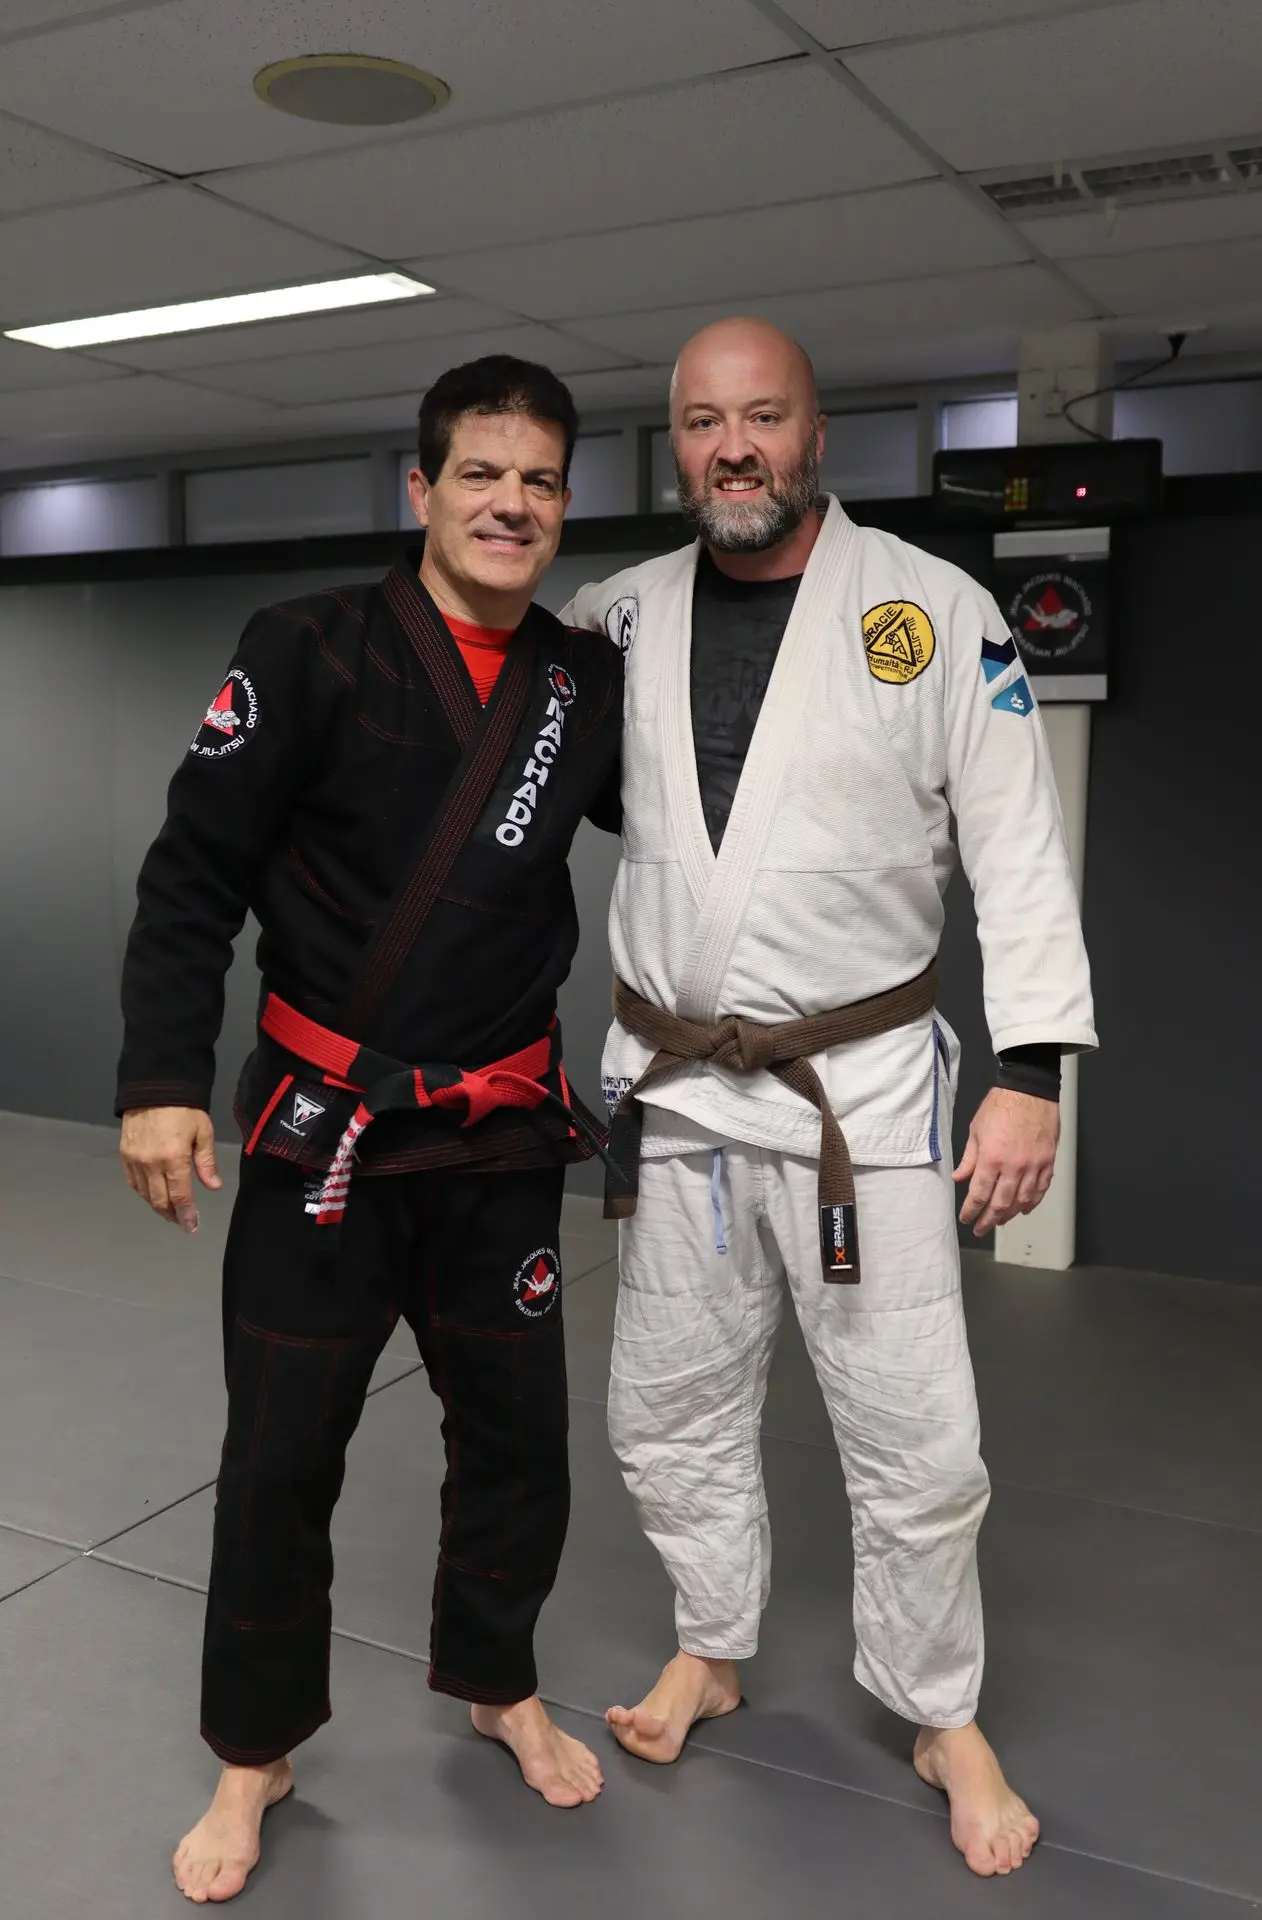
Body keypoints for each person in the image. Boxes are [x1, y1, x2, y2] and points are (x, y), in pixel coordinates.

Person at [561, 317, 1096, 1879]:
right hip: (678, 1094)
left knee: (918, 1439)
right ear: (675, 444)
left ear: (818, 433)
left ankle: (940, 1710)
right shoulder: (616, 619)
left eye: (765, 417)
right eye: (704, 422)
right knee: (665, 1414)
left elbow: (1016, 848)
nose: (734, 447)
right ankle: (713, 1640)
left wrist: (1034, 1074)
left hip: (861, 1098)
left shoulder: (932, 613)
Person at [117, 355, 623, 1905]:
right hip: (319, 1130)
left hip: (497, 1136)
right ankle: (256, 1751)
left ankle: (494, 1674)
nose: (511, 504)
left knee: (519, 1440)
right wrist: (157, 1080)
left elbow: (698, 848)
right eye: (483, 474)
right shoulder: (309, 648)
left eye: (540, 480)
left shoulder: (577, 684)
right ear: (422, 489)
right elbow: (191, 875)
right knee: (280, 1457)